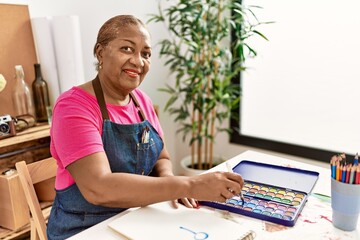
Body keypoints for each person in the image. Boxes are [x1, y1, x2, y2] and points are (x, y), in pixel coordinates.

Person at [47, 15, 244, 239]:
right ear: (100, 52)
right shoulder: (73, 107)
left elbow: (162, 158)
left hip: (137, 217)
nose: (139, 61)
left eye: (146, 54)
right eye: (127, 49)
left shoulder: (141, 101)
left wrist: (171, 183)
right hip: (84, 229)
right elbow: (98, 187)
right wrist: (188, 185)